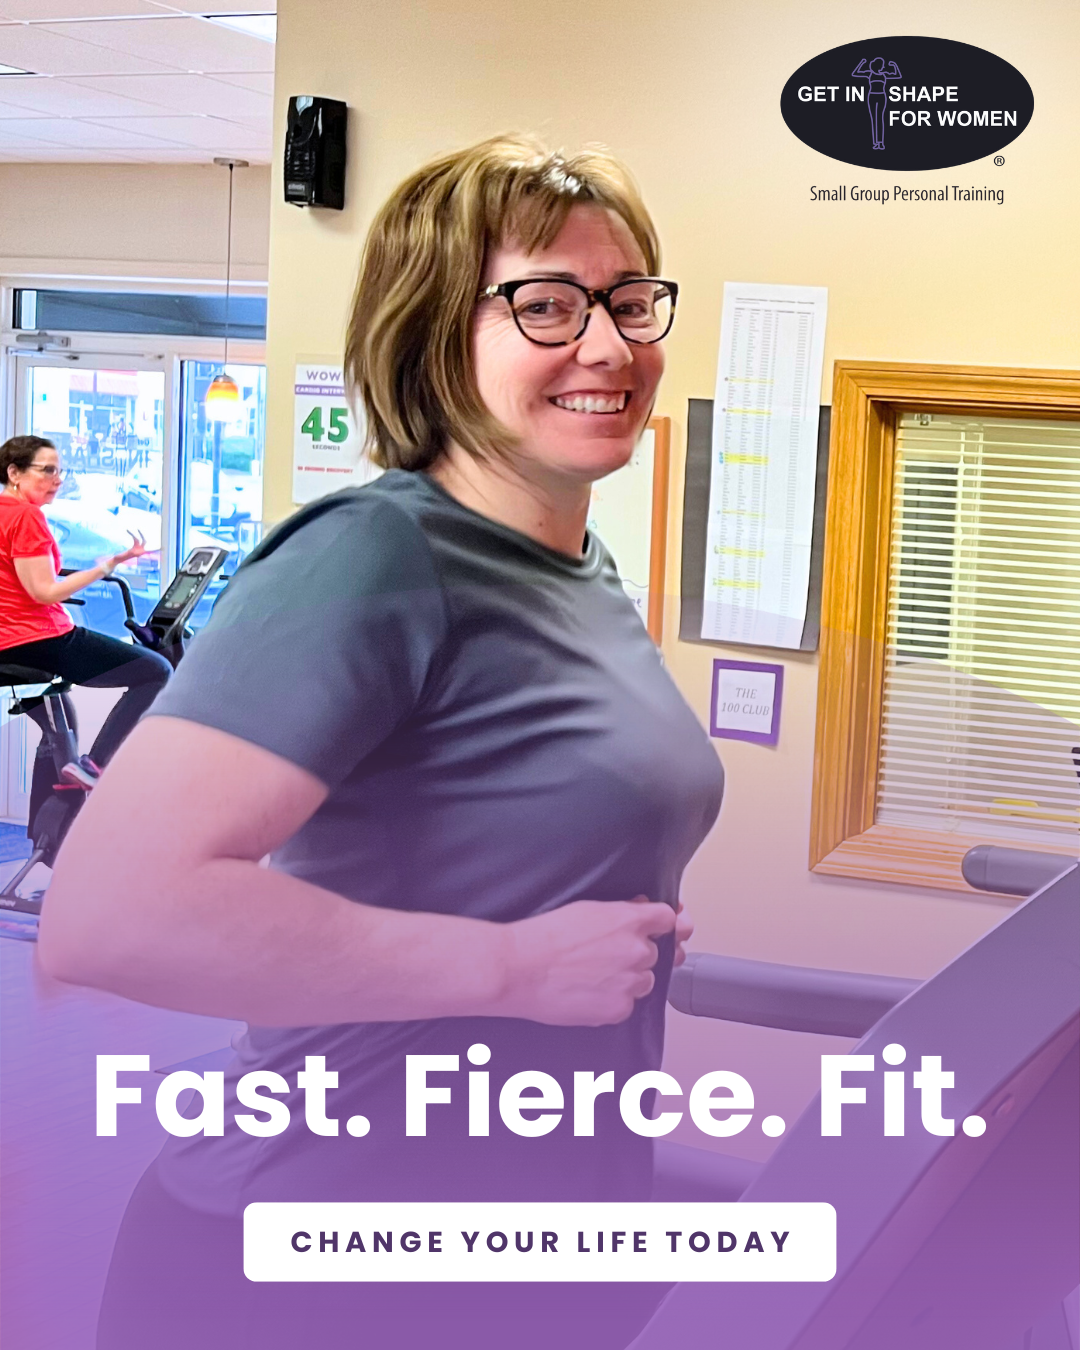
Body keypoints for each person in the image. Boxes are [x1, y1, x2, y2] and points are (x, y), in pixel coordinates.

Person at [39, 135, 725, 1350]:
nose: (611, 345)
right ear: (435, 334)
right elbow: (110, 916)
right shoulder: (377, 553)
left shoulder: (580, 567)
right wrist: (510, 967)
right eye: (548, 305)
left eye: (629, 300)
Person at [0, 435, 171, 787]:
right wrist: (106, 567)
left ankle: (63, 789)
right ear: (14, 473)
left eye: (59, 472)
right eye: (47, 471)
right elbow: (43, 592)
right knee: (156, 670)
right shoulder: (27, 517)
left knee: (61, 724)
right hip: (38, 637)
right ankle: (94, 765)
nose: (57, 480)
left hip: (10, 640)